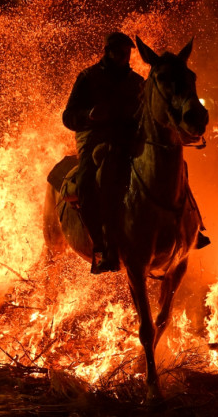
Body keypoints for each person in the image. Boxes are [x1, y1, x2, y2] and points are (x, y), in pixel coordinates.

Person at [62, 32, 144, 274]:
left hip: (128, 139)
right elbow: (68, 116)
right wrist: (89, 116)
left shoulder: (137, 82)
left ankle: (190, 226)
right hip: (94, 138)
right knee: (87, 182)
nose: (125, 57)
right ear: (108, 51)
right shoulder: (88, 78)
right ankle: (101, 247)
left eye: (127, 53)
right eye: (120, 52)